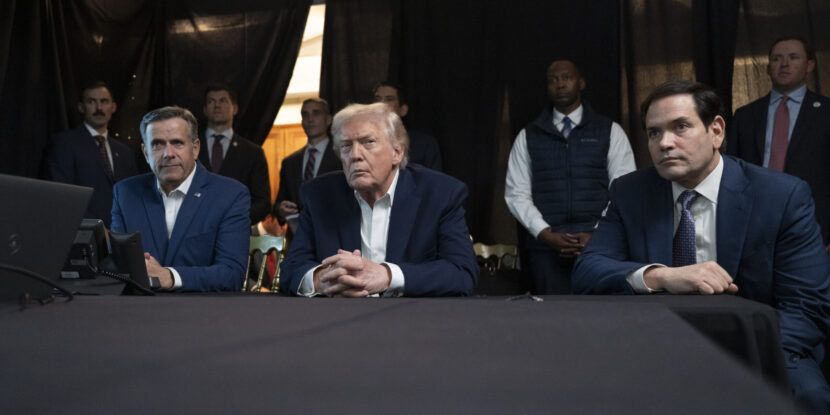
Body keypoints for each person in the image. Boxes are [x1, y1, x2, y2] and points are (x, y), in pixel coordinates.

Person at [572, 80, 830, 412]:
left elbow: (807, 308)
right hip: (656, 347)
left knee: (808, 395)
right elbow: (588, 270)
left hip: (763, 348)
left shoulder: (781, 196)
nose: (665, 143)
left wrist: (720, 358)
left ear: (716, 131)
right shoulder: (630, 192)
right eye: (654, 133)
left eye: (680, 127)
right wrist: (661, 276)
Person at [279, 102, 477, 297]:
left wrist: (388, 276)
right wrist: (322, 279)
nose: (355, 155)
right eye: (346, 146)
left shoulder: (440, 194)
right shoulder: (319, 195)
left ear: (397, 152)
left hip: (413, 315)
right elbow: (291, 270)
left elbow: (462, 272)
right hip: (340, 314)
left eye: (368, 142)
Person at [505, 60, 636, 294]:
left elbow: (624, 190)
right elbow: (516, 194)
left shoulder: (609, 130)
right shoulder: (528, 136)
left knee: (604, 312)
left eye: (567, 77)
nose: (560, 84)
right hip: (546, 248)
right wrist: (545, 234)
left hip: (600, 245)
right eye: (553, 80)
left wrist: (598, 235)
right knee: (553, 314)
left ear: (581, 83)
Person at [111, 106, 250, 292]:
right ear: (145, 153)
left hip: (203, 307)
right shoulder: (125, 193)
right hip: (138, 306)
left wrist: (170, 276)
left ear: (195, 148)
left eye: (177, 143)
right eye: (157, 144)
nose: (168, 154)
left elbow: (232, 274)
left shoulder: (231, 195)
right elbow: (116, 265)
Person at [727, 36, 830, 254]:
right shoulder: (745, 115)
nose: (784, 64)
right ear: (767, 68)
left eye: (793, 57)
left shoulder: (827, 112)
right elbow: (731, 172)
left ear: (809, 65)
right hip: (754, 224)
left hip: (814, 224)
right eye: (776, 59)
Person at [44, 81, 138, 227]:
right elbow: (61, 194)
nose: (99, 108)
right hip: (81, 231)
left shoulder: (125, 152)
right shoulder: (64, 143)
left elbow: (132, 196)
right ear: (81, 107)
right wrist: (97, 229)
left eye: (104, 101)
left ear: (113, 107)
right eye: (91, 101)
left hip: (121, 233)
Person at [197, 83, 271, 224]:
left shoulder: (253, 153)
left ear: (235, 108)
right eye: (211, 101)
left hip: (236, 231)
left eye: (223, 100)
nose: (217, 105)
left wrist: (235, 221)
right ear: (205, 110)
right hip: (195, 230)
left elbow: (263, 202)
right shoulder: (189, 149)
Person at [274, 98, 341, 224]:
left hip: (334, 230)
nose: (310, 119)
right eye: (305, 115)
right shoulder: (289, 163)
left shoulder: (342, 157)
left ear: (328, 120)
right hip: (298, 233)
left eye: (316, 113)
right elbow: (279, 202)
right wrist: (280, 210)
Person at [373, 81, 443, 171]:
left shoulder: (425, 144)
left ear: (403, 110)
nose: (381, 104)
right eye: (377, 99)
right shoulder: (363, 141)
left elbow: (435, 178)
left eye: (389, 99)